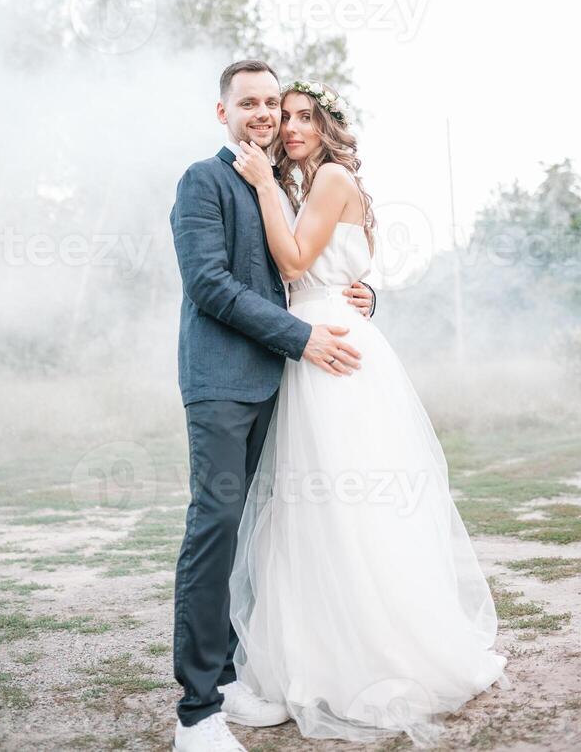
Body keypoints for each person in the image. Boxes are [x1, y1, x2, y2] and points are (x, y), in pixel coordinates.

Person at [228, 79, 510, 748]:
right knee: (312, 507)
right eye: (284, 117)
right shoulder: (315, 187)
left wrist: (265, 185)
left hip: (332, 359)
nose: (290, 127)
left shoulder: (322, 181)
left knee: (340, 501)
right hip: (320, 343)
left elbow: (296, 259)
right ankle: (319, 645)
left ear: (328, 127)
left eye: (304, 117)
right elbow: (324, 272)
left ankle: (368, 654)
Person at [169, 60, 377, 752]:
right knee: (215, 528)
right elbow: (211, 286)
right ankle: (196, 713)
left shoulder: (280, 184)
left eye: (274, 104)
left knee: (256, 535)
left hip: (278, 381)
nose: (266, 115)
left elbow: (310, 265)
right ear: (221, 111)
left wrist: (365, 296)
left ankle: (231, 677)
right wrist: (303, 337)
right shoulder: (205, 180)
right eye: (251, 103)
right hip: (224, 381)